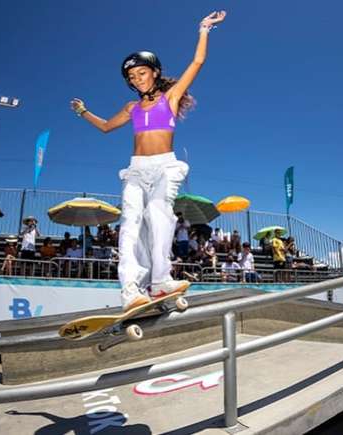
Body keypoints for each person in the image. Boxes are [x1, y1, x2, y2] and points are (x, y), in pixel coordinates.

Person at [70, 10, 227, 311]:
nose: (137, 79)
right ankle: (130, 289)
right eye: (132, 77)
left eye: (142, 73)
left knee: (159, 215)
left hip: (165, 166)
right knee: (130, 223)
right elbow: (105, 127)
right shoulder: (131, 107)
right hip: (136, 170)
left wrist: (204, 29)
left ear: (154, 72)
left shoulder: (170, 97)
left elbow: (197, 63)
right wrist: (82, 111)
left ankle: (160, 280)